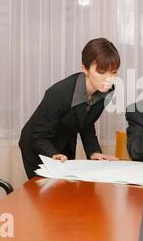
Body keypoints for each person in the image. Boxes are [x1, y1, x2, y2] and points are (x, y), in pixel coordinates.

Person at [19, 38, 120, 179]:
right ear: (85, 69)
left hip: (64, 140)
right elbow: (40, 137)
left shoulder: (108, 90)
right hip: (38, 144)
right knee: (44, 194)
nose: (108, 79)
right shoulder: (58, 93)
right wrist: (52, 154)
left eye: (114, 72)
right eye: (101, 72)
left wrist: (94, 153)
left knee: (65, 191)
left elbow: (87, 123)